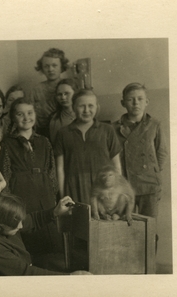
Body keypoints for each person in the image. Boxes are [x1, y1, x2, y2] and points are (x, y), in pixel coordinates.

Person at [0, 97, 62, 259]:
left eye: (29, 113)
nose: (26, 118)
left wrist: (52, 194)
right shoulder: (7, 143)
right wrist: (10, 200)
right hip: (22, 193)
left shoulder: (44, 141)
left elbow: (51, 170)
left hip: (44, 191)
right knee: (27, 230)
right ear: (13, 117)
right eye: (20, 114)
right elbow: (5, 174)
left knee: (48, 231)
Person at [0, 193, 91, 276]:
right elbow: (26, 273)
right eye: (16, 225)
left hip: (23, 270)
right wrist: (70, 278)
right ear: (1, 224)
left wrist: (54, 212)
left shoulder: (1, 222)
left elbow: (31, 220)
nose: (21, 226)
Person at [54, 89, 122, 204]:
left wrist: (117, 190)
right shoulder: (63, 133)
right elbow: (60, 169)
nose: (86, 110)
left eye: (91, 106)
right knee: (79, 220)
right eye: (82, 106)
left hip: (103, 188)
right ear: (74, 108)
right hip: (74, 188)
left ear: (97, 107)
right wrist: (63, 196)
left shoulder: (107, 130)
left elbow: (117, 165)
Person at [113, 83, 168, 221]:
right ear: (123, 103)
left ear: (146, 102)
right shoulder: (114, 128)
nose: (135, 103)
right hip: (125, 184)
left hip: (149, 185)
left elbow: (161, 152)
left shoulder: (154, 124)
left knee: (149, 226)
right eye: (130, 99)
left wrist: (151, 171)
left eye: (140, 99)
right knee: (124, 226)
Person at [28, 48, 69, 137]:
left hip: (65, 130)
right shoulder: (36, 89)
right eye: (46, 66)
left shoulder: (68, 87)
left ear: (61, 66)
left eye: (54, 65)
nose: (50, 69)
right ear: (42, 68)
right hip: (41, 132)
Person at [49, 78, 78, 145]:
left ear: (75, 93)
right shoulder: (54, 119)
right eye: (59, 94)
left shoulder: (84, 114)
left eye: (66, 93)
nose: (63, 97)